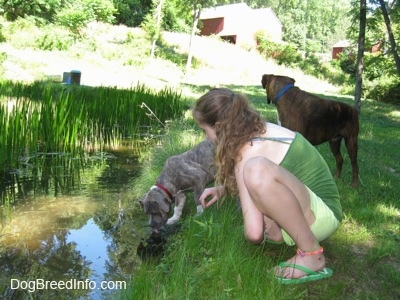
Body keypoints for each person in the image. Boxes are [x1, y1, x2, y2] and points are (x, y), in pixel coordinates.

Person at [192, 88, 342, 284]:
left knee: (255, 171)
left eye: (205, 130)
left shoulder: (246, 153)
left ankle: (312, 253)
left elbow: (254, 233)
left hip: (322, 217)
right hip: (318, 209)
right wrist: (223, 189)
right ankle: (284, 233)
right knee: (254, 172)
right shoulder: (257, 129)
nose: (206, 137)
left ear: (219, 126)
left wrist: (254, 224)